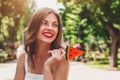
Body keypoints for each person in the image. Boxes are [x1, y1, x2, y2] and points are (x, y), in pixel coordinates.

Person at [14, 7, 69, 80]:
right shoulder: (23, 58)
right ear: (34, 26)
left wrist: (47, 67)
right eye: (45, 23)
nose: (50, 28)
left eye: (55, 25)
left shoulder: (61, 58)